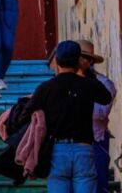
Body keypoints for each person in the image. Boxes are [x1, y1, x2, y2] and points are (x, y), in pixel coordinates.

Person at [24, 40, 114, 193]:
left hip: (57, 151)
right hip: (84, 149)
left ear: (56, 61)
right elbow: (106, 97)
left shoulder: (46, 88)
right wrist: (88, 74)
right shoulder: (88, 84)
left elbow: (27, 112)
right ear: (78, 62)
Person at [73, 40, 116, 193]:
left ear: (90, 61)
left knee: (98, 183)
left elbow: (100, 113)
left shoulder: (104, 84)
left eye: (82, 57)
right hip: (72, 142)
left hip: (96, 140)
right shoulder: (67, 81)